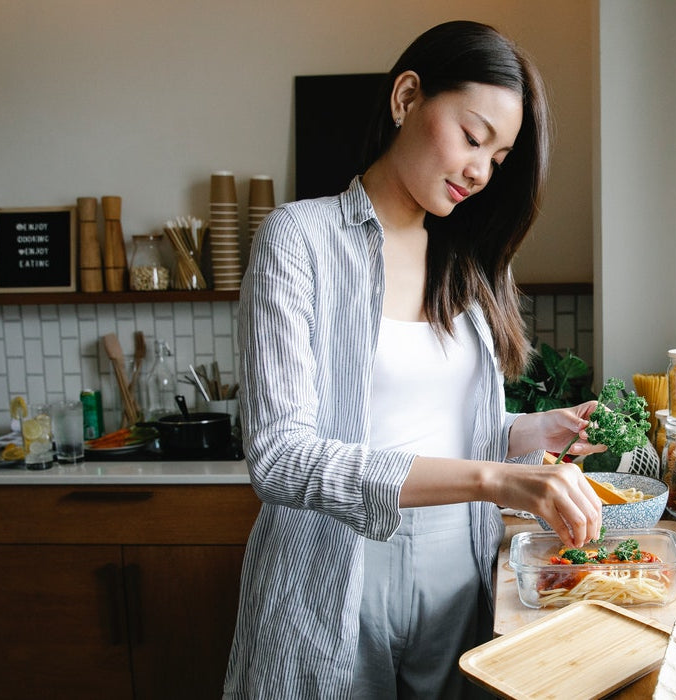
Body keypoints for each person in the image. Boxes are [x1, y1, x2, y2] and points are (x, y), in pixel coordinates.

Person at [223, 20, 605, 699]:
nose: (481, 171)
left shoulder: (466, 265)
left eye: (499, 158)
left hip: (458, 576)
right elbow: (280, 455)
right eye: (473, 138)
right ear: (407, 98)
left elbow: (424, 421)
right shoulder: (297, 240)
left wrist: (527, 432)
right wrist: (495, 479)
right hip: (335, 580)